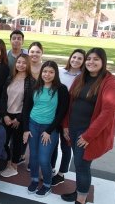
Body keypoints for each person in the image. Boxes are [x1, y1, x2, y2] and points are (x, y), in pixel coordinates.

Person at [61, 48, 115, 204]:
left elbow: (108, 112)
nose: (91, 62)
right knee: (79, 163)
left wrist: (88, 135)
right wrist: (66, 125)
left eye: (96, 59)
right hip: (73, 129)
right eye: (89, 59)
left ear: (103, 62)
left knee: (82, 165)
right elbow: (70, 102)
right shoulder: (81, 78)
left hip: (87, 133)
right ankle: (79, 191)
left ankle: (81, 199)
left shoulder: (110, 83)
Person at [23, 61, 69, 197]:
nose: (47, 75)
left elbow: (62, 112)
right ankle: (34, 180)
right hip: (33, 124)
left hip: (49, 128)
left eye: (51, 72)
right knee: (34, 157)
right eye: (45, 71)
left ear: (55, 74)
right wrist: (26, 129)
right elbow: (26, 108)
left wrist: (49, 131)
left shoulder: (61, 89)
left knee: (44, 159)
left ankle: (47, 184)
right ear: (41, 72)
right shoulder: (35, 87)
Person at [50, 49, 86, 186]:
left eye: (80, 59)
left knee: (66, 147)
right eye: (74, 57)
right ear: (70, 58)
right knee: (52, 145)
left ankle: (61, 174)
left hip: (69, 118)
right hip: (54, 114)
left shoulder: (83, 77)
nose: (76, 60)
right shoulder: (60, 72)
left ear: (83, 62)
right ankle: (51, 168)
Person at [0, 54, 35, 178]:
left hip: (20, 117)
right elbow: (3, 97)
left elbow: (28, 104)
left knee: (17, 143)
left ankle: (14, 165)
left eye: (24, 63)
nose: (21, 65)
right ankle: (7, 162)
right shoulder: (10, 77)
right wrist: (4, 115)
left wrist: (18, 118)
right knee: (4, 141)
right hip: (7, 116)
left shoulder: (31, 81)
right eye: (18, 62)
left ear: (28, 65)